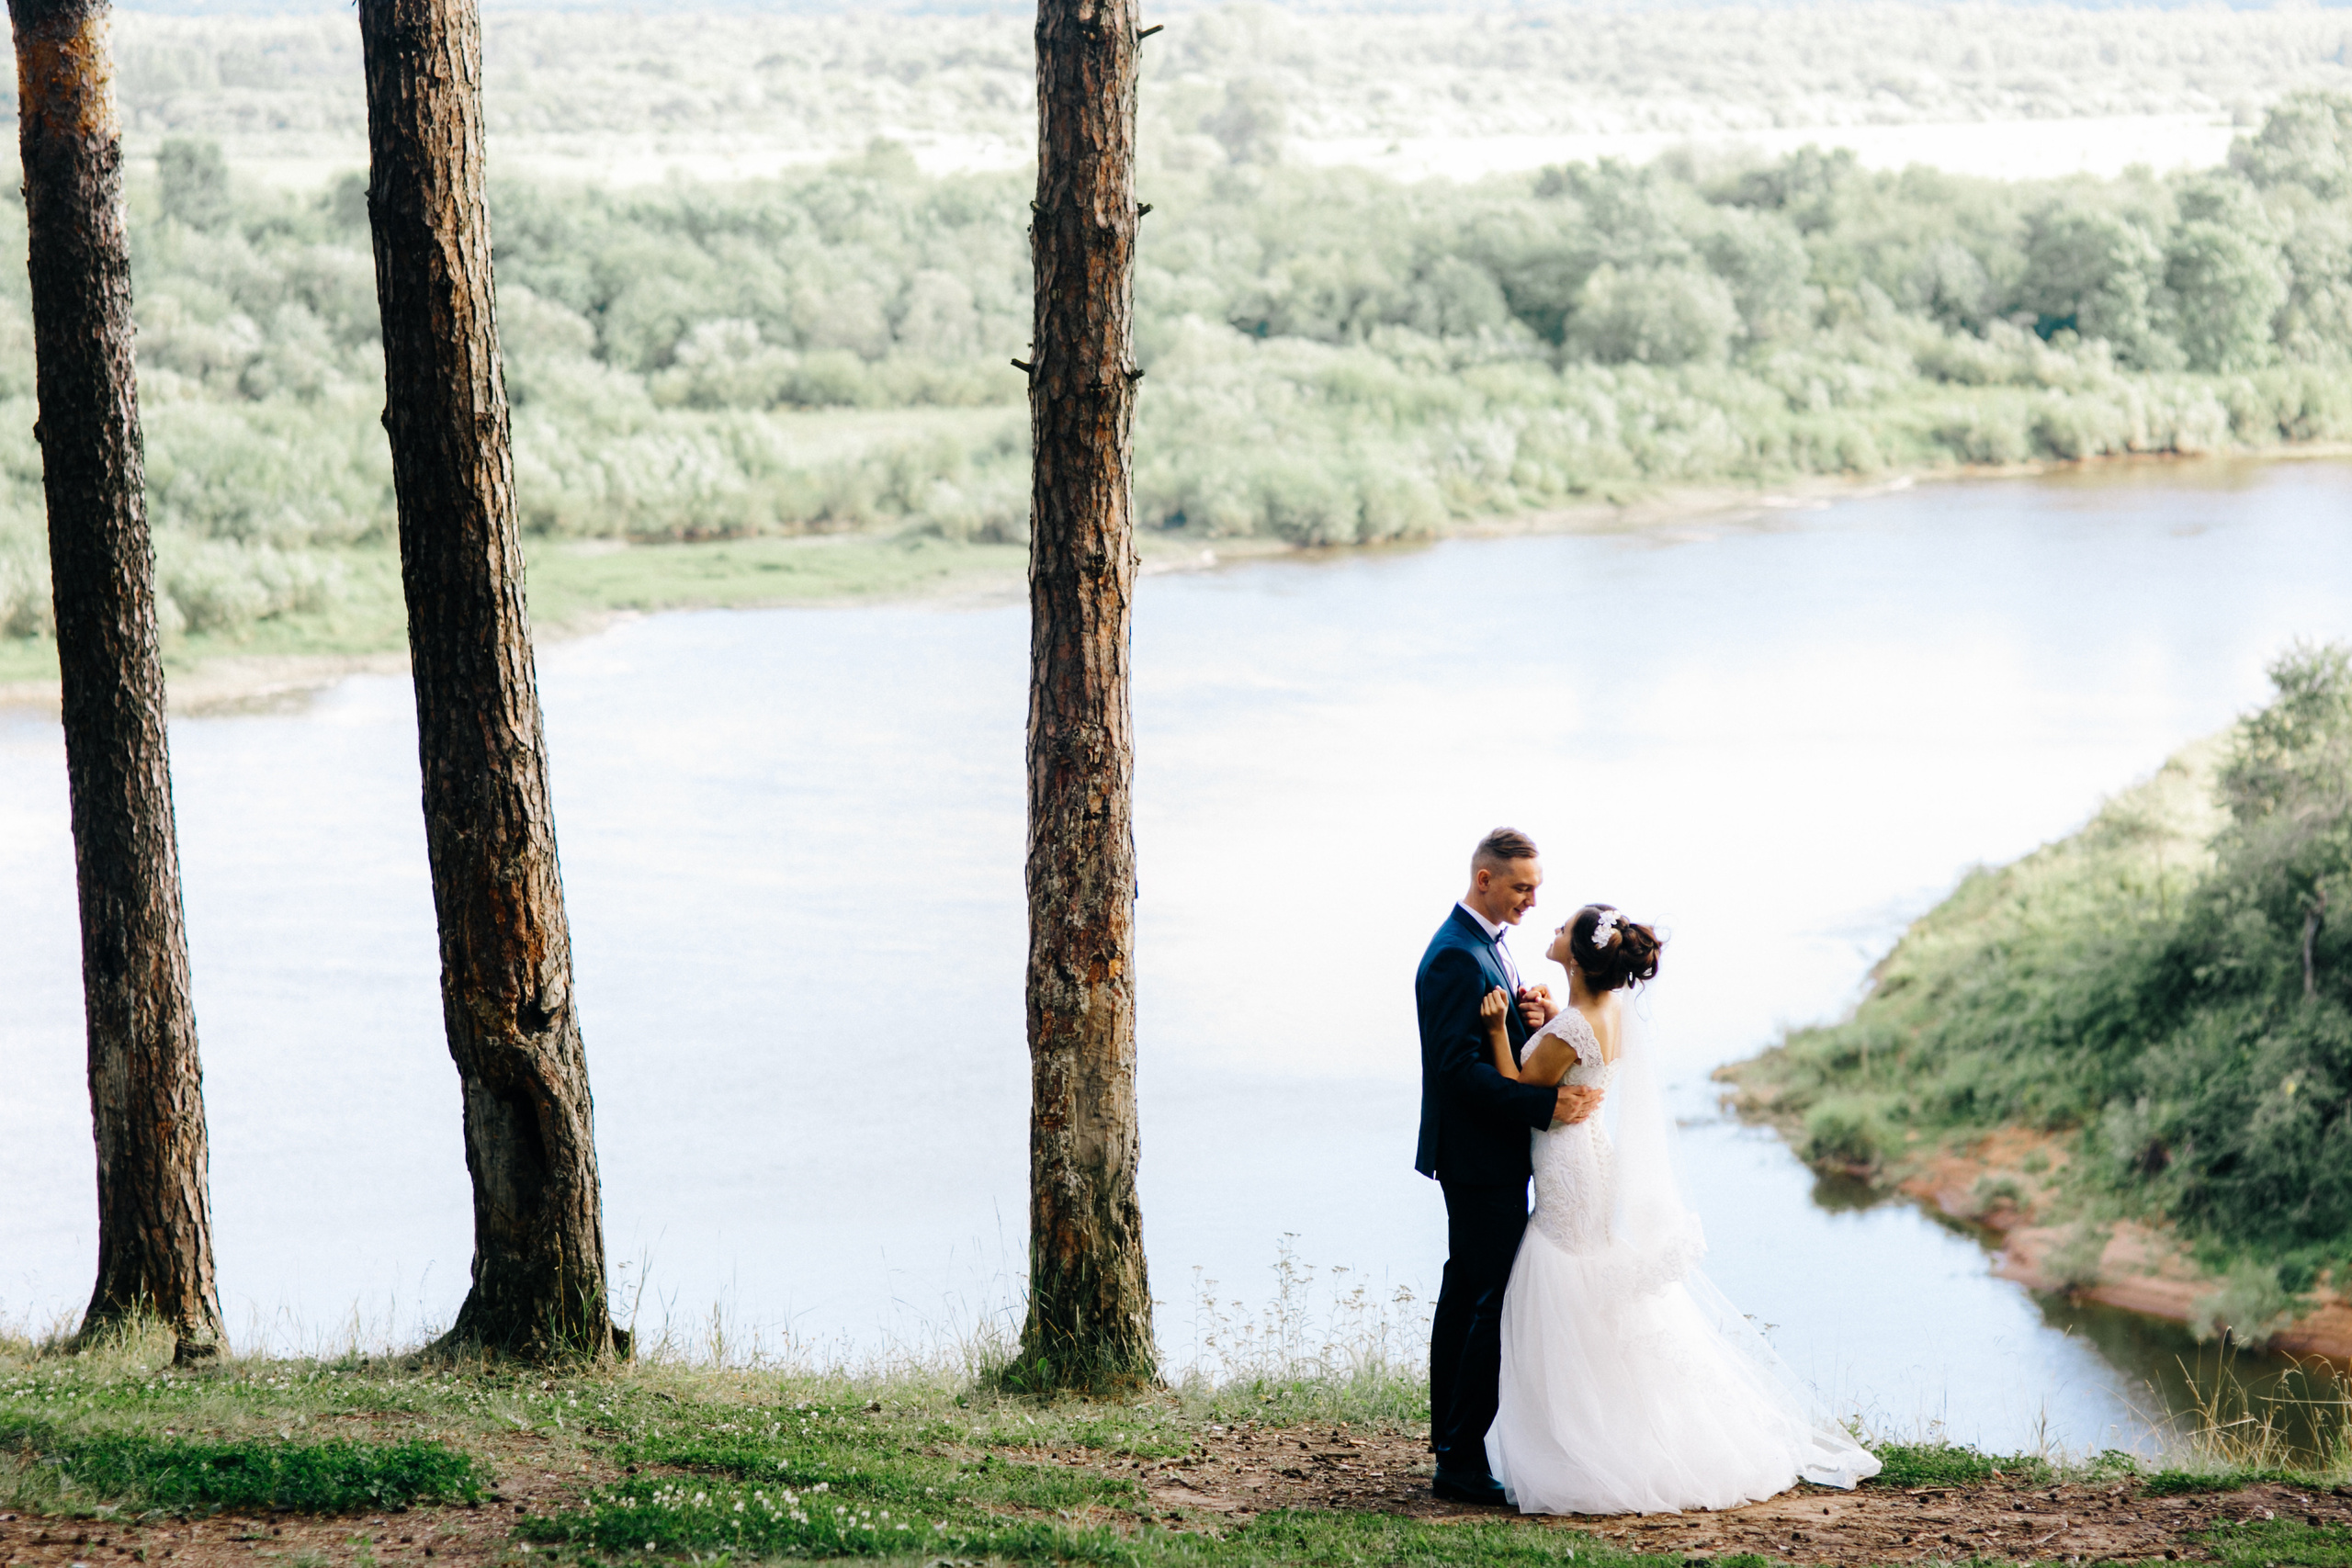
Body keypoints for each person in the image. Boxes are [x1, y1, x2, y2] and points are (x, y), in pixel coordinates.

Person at [1476, 903, 1883, 1515]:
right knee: (1600, 1286)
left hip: (1567, 1164)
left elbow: (1515, 1084)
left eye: (1563, 928)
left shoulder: (1569, 1030)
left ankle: (1584, 1437)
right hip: (1594, 1156)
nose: (1553, 929)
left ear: (1580, 957)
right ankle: (1617, 1421)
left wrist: (1495, 1026)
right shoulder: (1601, 1013)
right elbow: (1567, 1050)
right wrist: (1544, 1017)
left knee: (1564, 1276)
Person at [1413, 828, 1602, 1506]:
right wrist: (1545, 1103)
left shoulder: (1488, 947)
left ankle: (1456, 1446)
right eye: (1522, 886)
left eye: (1537, 887)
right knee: (1485, 1303)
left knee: (1470, 1295)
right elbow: (1456, 1072)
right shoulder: (1452, 958)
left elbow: (1490, 1044)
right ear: (1484, 879)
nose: (1531, 899)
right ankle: (1460, 1459)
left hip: (1492, 1155)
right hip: (1476, 1159)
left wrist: (1527, 1023)